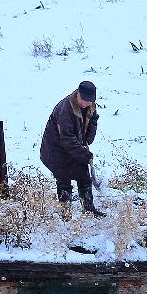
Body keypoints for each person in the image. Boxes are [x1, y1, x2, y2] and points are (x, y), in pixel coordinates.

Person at [40, 80, 105, 217]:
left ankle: (89, 210)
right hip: (55, 149)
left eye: (89, 101)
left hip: (74, 147)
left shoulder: (90, 105)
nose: (85, 104)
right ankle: (65, 213)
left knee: (84, 177)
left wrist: (88, 138)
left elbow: (93, 120)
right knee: (64, 179)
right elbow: (67, 139)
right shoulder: (66, 109)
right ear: (78, 94)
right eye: (83, 100)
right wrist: (85, 155)